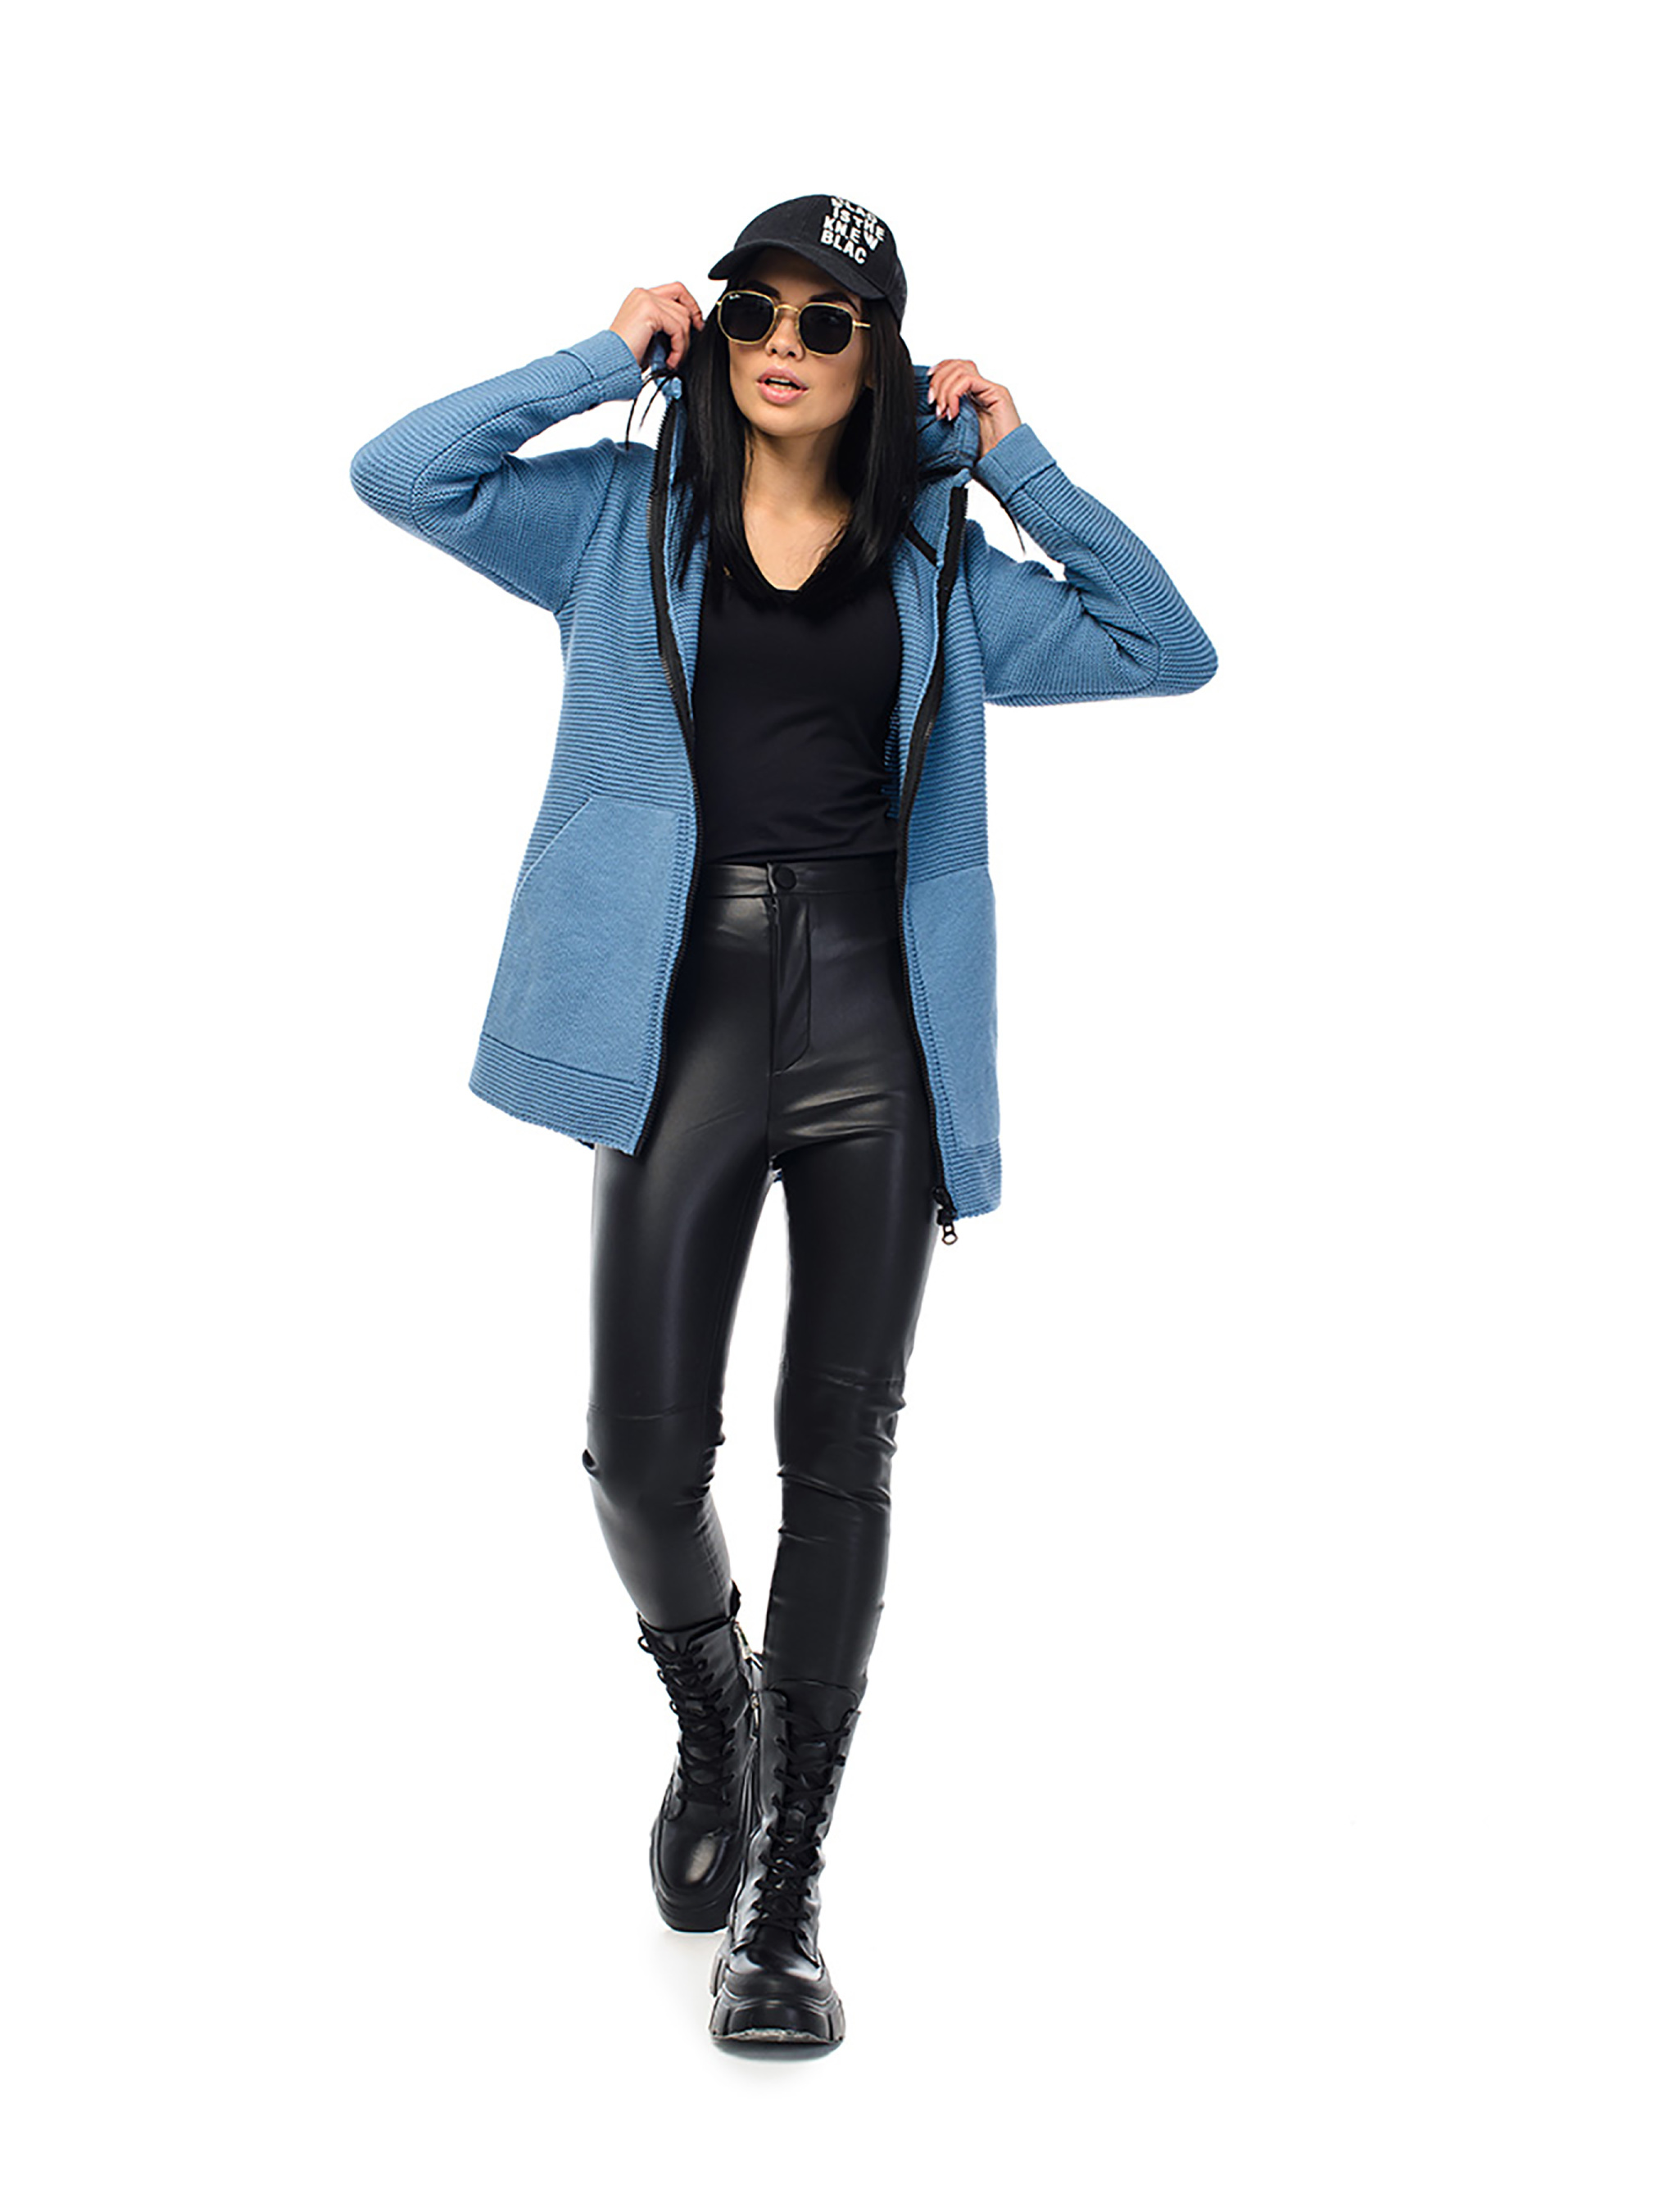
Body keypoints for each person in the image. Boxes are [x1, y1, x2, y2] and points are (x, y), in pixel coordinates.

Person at [349, 192, 1217, 2049]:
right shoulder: (618, 517)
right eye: (755, 309)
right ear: (716, 330)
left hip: (875, 1025)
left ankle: (786, 1889)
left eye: (831, 325)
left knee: (840, 1455)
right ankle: (711, 1720)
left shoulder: (938, 567)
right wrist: (605, 354)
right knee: (639, 1455)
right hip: (674, 1013)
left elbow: (1164, 645)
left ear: (878, 359)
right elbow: (400, 473)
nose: (784, 346)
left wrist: (1017, 461)